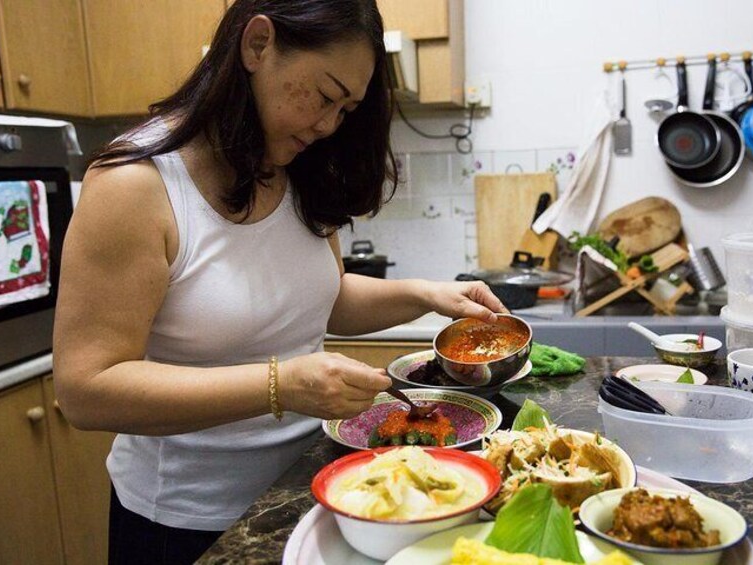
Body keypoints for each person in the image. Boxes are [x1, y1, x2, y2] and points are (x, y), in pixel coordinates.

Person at [52, 1, 507, 563]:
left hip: (312, 489)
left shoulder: (295, 171)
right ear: (258, 45)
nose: (327, 125)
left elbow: (325, 298)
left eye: (346, 109)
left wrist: (428, 295)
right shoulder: (135, 184)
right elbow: (86, 389)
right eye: (324, 95)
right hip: (188, 526)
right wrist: (280, 384)